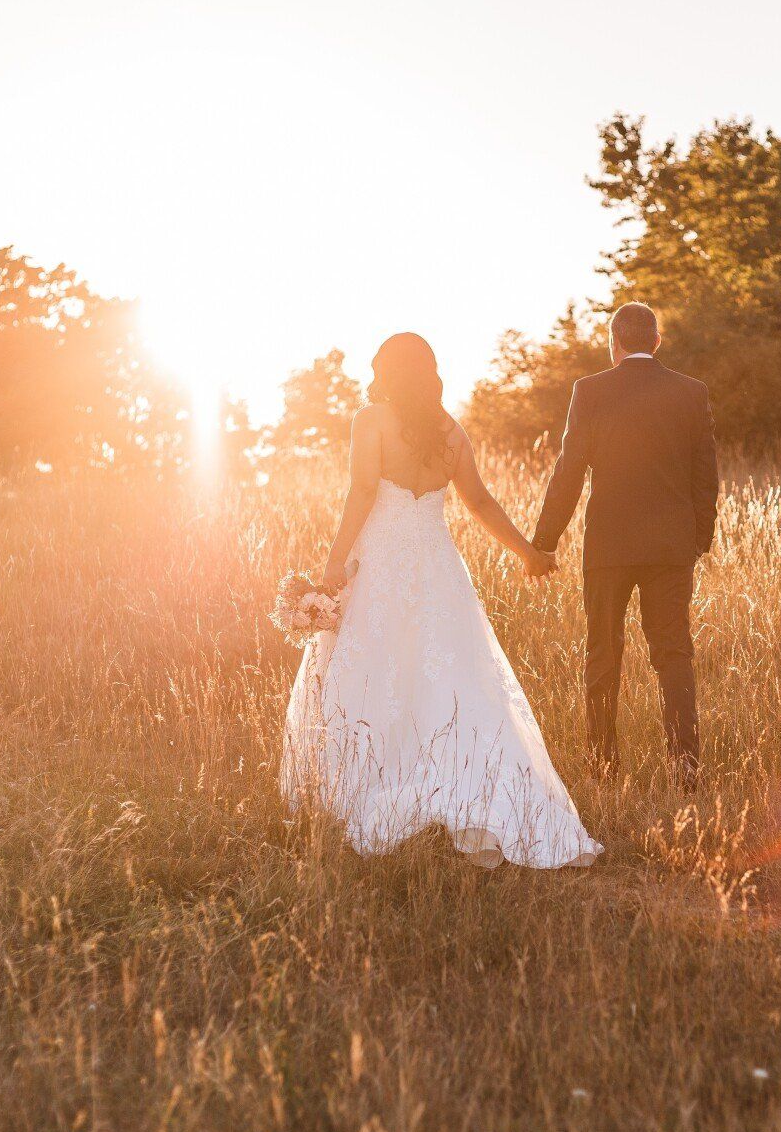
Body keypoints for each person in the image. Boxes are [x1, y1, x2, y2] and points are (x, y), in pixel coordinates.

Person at [281, 332, 601, 869]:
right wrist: (527, 551)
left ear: (386, 370)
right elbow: (478, 500)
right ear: (429, 373)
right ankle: (471, 790)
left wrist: (334, 565)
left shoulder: (371, 420)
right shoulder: (452, 431)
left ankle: (370, 790)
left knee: (373, 671)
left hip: (379, 563)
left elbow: (362, 491)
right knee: (453, 678)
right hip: (435, 566)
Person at [532, 303, 718, 781]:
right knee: (673, 652)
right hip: (671, 548)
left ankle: (603, 764)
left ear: (613, 344)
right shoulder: (690, 392)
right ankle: (685, 766)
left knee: (602, 652)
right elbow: (706, 473)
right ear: (657, 341)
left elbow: (569, 469)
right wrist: (699, 538)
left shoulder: (589, 391)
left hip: (609, 547)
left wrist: (544, 541)